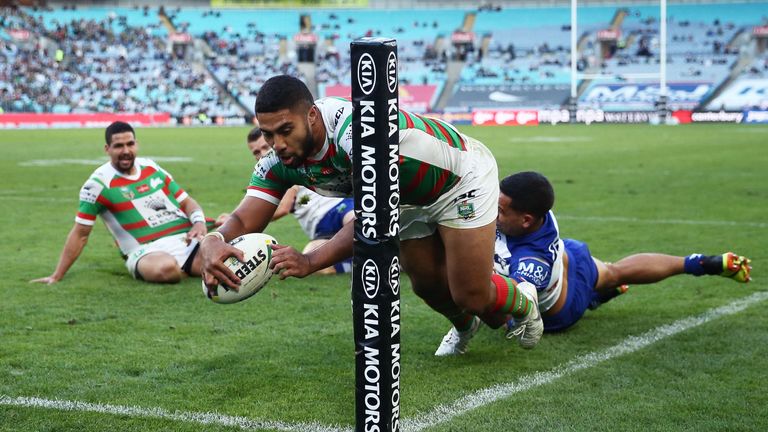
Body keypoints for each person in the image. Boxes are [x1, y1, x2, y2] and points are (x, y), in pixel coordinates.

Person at [199, 75, 543, 355]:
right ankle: (465, 325)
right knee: (426, 284)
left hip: (457, 178)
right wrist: (212, 241)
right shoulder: (278, 161)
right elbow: (243, 220)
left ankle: (524, 300)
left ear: (312, 116)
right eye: (269, 134)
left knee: (470, 293)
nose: (277, 144)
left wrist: (311, 260)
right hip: (401, 197)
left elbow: (371, 218)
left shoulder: (357, 131)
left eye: (285, 131)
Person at [494, 171, 752, 333]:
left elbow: (509, 304)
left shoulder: (532, 261)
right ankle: (698, 263)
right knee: (614, 272)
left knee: (493, 306)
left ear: (526, 220)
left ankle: (594, 296)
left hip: (562, 305)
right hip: (567, 255)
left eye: (501, 211)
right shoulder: (539, 212)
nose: (494, 213)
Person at [31, 121, 210, 285]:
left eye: (130, 144)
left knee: (225, 257)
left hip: (185, 241)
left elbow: (187, 202)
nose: (126, 151)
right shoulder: (98, 185)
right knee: (166, 270)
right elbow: (80, 234)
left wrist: (199, 222)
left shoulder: (151, 167)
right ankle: (189, 268)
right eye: (118, 146)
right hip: (145, 251)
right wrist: (57, 275)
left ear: (136, 144)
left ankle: (192, 266)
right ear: (107, 149)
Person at [220, 127, 354, 274]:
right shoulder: (269, 174)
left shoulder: (288, 165)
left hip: (338, 209)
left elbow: (283, 208)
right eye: (256, 152)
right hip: (319, 229)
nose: (262, 154)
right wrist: (230, 224)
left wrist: (242, 221)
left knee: (356, 221)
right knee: (319, 266)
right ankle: (353, 261)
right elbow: (248, 213)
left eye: (265, 147)